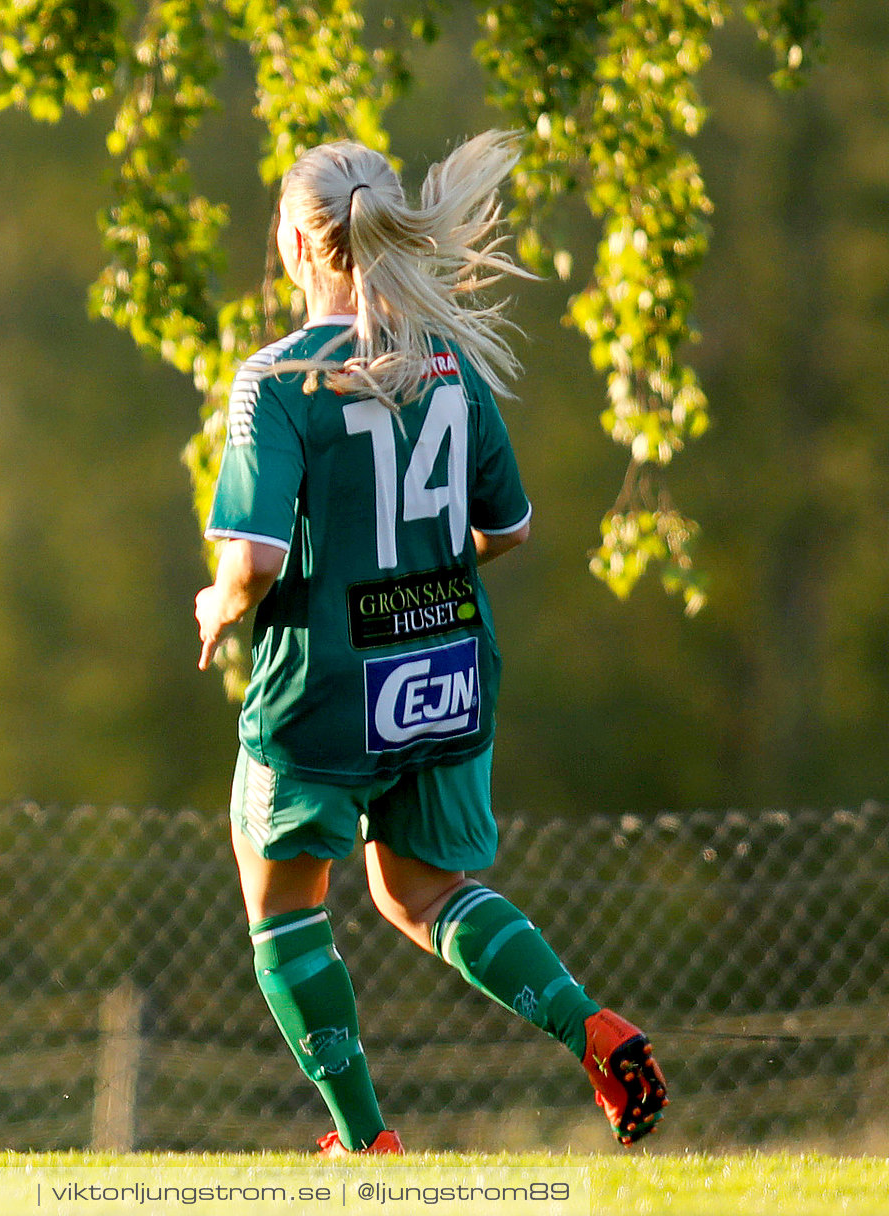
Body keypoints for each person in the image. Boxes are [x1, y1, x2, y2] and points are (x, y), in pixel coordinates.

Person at [194, 132, 668, 1155]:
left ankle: (365, 1143)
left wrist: (219, 601)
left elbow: (260, 554)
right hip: (446, 668)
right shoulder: (447, 362)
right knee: (425, 891)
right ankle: (593, 1026)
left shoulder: (275, 381)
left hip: (321, 684)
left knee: (282, 904)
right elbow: (511, 528)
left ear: (293, 242)